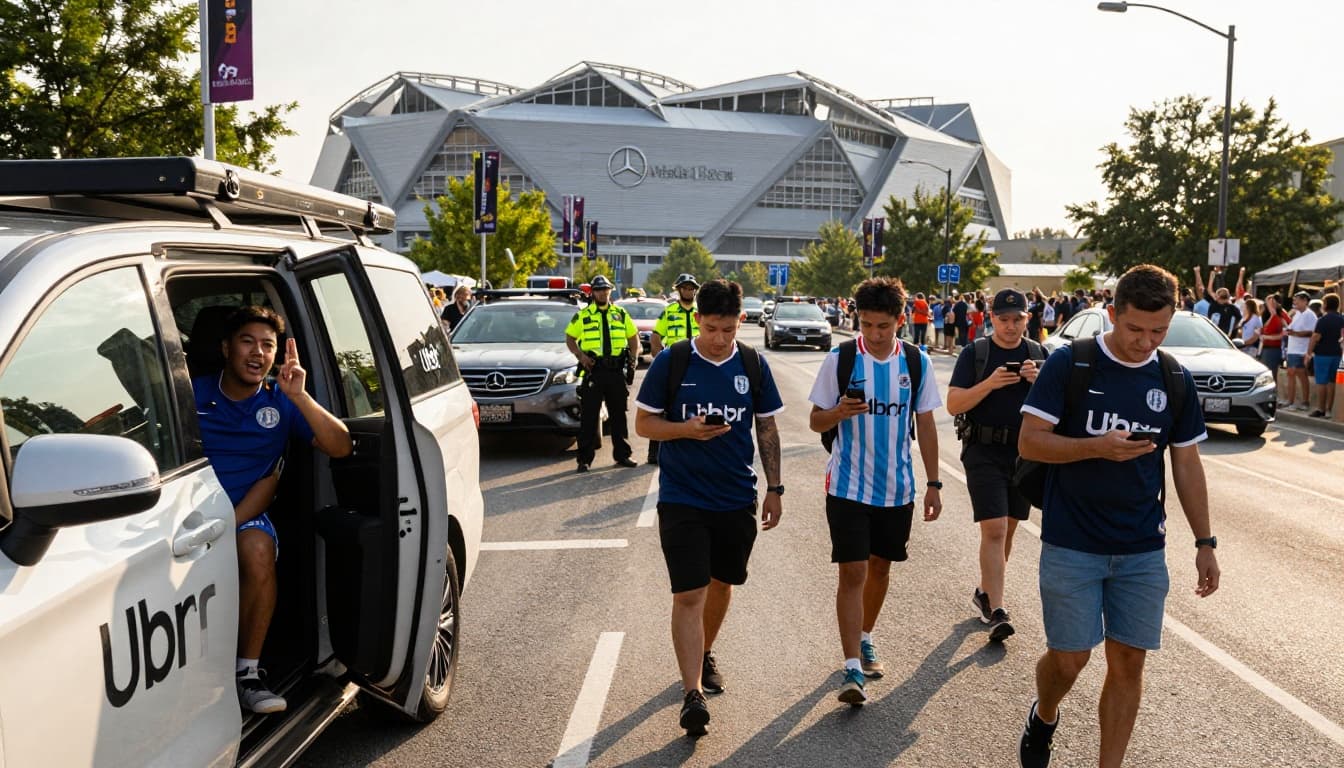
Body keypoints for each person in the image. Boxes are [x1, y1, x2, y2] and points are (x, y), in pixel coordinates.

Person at [1015, 265, 1220, 768]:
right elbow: (1030, 441)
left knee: (1128, 663)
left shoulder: (1172, 377)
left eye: (1158, 331)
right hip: (1071, 542)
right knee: (1070, 660)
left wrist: (1205, 542)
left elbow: (1187, 464)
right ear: (1112, 315)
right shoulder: (1073, 363)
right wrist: (1096, 449)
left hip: (1141, 549)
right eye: (1134, 329)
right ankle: (1045, 714)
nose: (1145, 342)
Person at [633, 279, 785, 736]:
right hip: (683, 498)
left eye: (729, 328)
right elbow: (643, 424)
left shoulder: (753, 364)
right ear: (698, 320)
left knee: (722, 584)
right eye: (713, 328)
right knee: (689, 594)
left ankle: (702, 652)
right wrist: (686, 430)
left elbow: (768, 430)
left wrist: (776, 488)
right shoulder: (673, 361)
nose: (720, 338)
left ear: (742, 321)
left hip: (737, 497)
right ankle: (692, 693)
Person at [193, 306, 353, 714]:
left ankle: (247, 674)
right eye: (248, 341)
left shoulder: (281, 400)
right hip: (188, 513)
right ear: (227, 348)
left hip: (245, 514)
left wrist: (299, 395)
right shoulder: (193, 393)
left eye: (268, 346)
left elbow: (341, 446)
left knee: (258, 550)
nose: (258, 353)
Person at [807, 277, 942, 706]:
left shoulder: (916, 363)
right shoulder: (841, 359)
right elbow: (815, 421)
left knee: (881, 569)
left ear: (900, 321)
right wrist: (837, 412)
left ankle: (865, 637)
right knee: (853, 572)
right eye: (866, 324)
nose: (875, 334)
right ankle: (850, 668)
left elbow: (925, 424)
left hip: (896, 488)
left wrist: (934, 483)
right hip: (846, 485)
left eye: (883, 326)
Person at [946, 289, 1042, 643]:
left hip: (1023, 454)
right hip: (982, 451)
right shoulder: (976, 354)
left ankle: (986, 592)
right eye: (1004, 319)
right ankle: (998, 610)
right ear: (991, 318)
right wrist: (990, 383)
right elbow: (954, 403)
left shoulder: (1037, 354)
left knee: (1010, 530)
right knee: (995, 529)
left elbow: (1057, 409)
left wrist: (1039, 381)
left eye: (1018, 319)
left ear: (1027, 318)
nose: (1011, 326)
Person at [565, 275, 640, 472]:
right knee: (589, 417)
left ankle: (623, 455)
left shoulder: (620, 313)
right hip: (594, 371)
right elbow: (570, 338)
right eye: (598, 290)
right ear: (592, 292)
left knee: (618, 416)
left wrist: (633, 360)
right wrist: (581, 357)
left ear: (610, 291)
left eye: (605, 289)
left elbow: (633, 338)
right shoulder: (583, 315)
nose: (602, 293)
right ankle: (584, 459)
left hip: (615, 371)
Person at [647, 273, 701, 465]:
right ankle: (654, 452)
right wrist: (659, 360)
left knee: (697, 405)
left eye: (691, 288)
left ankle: (693, 447)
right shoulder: (669, 311)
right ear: (678, 290)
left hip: (697, 365)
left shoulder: (701, 312)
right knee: (663, 406)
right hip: (674, 365)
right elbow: (656, 337)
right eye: (684, 288)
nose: (688, 291)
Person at [1306, 293, 1343, 418]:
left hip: (1322, 355)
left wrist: (1308, 353)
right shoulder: (1342, 319)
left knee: (1321, 382)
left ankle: (1320, 409)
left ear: (1326, 305)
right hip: (1338, 354)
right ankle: (1329, 410)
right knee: (1332, 382)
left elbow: (1316, 337)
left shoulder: (1323, 320)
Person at [1284, 291, 1318, 412]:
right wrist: (1289, 331)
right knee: (1291, 374)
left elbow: (1312, 332)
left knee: (1302, 375)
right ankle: (1290, 401)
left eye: (1297, 299)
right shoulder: (1297, 313)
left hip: (1301, 350)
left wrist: (1295, 333)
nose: (1294, 302)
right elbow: (1292, 328)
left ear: (1304, 301)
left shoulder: (1310, 315)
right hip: (1292, 349)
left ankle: (1305, 402)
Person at [1259, 294, 1291, 397]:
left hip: (1274, 349)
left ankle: (1274, 396)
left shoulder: (1281, 315)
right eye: (1268, 302)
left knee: (1272, 374)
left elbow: (1286, 332)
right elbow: (1264, 330)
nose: (1269, 304)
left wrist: (1267, 337)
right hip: (1265, 349)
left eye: (1272, 302)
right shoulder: (1267, 315)